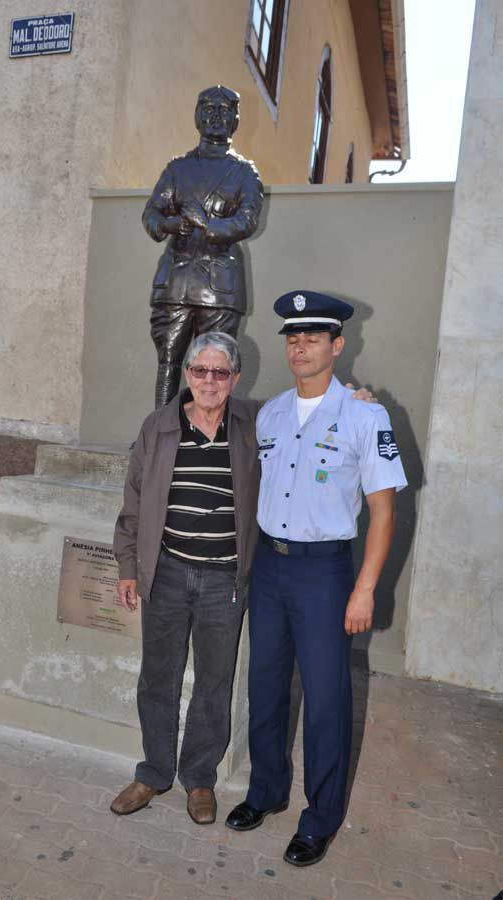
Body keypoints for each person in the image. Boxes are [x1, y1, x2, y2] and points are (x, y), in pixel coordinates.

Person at [225, 291, 407, 868]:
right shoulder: (272, 414)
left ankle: (320, 817)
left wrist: (364, 588)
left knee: (327, 697)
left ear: (338, 345)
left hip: (325, 571)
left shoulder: (365, 416)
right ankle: (266, 791)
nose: (300, 347)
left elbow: (383, 513)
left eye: (313, 338)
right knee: (266, 683)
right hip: (270, 566)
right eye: (293, 338)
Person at [110, 332, 259, 825]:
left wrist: (355, 402)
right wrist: (128, 567)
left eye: (220, 372)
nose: (209, 381)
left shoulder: (255, 424)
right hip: (167, 572)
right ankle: (154, 772)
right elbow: (133, 503)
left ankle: (199, 779)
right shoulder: (158, 426)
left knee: (214, 683)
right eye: (200, 370)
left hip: (225, 580)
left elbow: (309, 416)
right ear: (187, 374)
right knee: (158, 677)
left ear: (235, 378)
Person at [143, 85, 263, 408]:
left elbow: (247, 221)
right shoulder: (177, 169)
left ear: (235, 120)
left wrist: (207, 225)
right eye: (209, 109)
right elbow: (151, 214)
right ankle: (162, 428)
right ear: (197, 117)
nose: (216, 117)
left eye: (224, 111)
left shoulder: (245, 173)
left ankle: (209, 431)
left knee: (215, 366)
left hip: (219, 286)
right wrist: (170, 224)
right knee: (168, 360)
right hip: (175, 281)